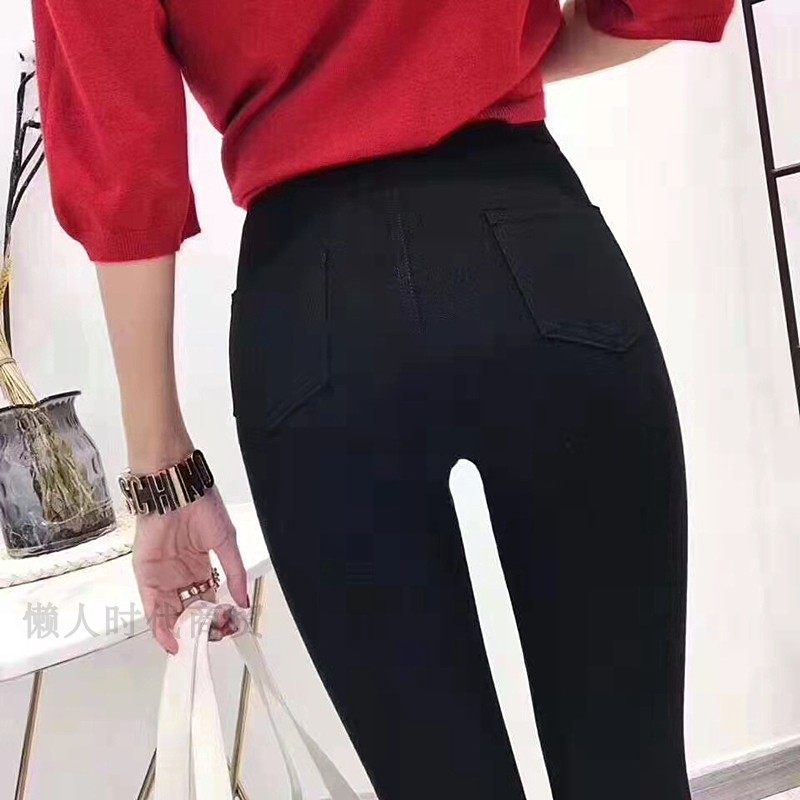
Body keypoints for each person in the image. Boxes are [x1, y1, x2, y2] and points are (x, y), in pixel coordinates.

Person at [31, 0, 735, 797]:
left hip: (312, 311)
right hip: (537, 247)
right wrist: (490, 54)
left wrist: (164, 476)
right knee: (631, 771)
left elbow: (121, 149)